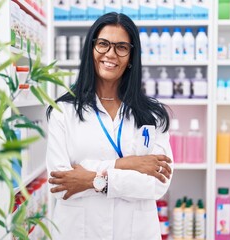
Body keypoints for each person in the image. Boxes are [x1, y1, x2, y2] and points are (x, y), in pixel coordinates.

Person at [46, 12, 174, 240]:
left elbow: (156, 184)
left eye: (121, 47)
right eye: (103, 44)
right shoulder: (62, 112)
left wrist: (91, 179)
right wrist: (127, 164)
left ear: (132, 56)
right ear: (91, 49)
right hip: (78, 232)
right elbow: (61, 185)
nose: (110, 54)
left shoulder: (153, 115)